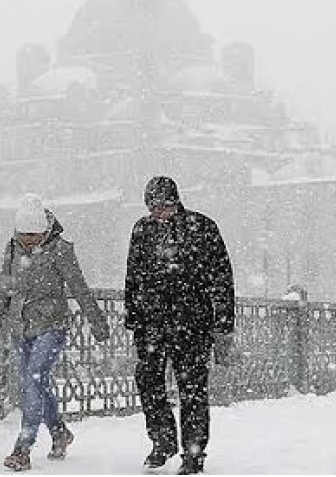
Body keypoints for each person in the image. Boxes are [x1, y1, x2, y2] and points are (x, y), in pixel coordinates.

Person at [0, 193, 110, 472]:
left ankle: (22, 448)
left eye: (34, 235)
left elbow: (79, 287)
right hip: (20, 327)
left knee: (33, 380)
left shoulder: (61, 249)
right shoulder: (13, 248)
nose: (29, 240)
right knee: (37, 385)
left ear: (45, 230)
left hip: (52, 326)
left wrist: (97, 321)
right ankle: (60, 432)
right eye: (24, 234)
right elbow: (4, 287)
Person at [125, 176, 235, 475]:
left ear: (176, 202)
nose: (158, 213)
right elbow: (134, 275)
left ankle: (193, 452)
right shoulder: (142, 230)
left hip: (193, 323)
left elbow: (221, 277)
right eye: (153, 207)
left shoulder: (202, 228)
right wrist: (134, 315)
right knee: (148, 381)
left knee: (193, 390)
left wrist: (223, 321)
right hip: (152, 323)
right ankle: (162, 441)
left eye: (163, 206)